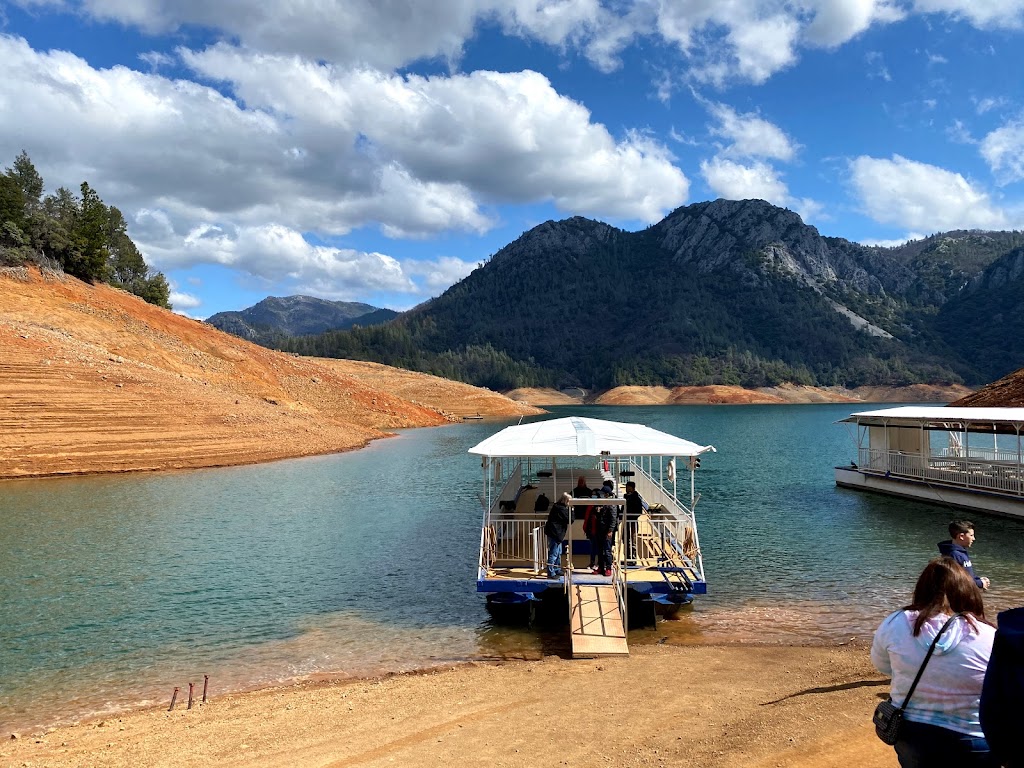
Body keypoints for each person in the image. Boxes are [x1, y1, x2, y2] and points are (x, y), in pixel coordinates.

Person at [871, 556, 997, 767]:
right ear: (969, 593)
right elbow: (1000, 687)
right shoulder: (987, 635)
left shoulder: (895, 622)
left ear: (921, 589)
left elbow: (882, 666)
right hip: (972, 739)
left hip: (911, 734)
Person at [939, 520, 990, 590]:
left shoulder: (961, 553)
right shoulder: (954, 555)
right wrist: (980, 583)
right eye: (971, 535)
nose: (974, 539)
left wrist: (978, 579)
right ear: (961, 536)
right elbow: (958, 581)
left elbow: (967, 574)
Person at [543, 492, 571, 578]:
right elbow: (570, 519)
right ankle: (551, 572)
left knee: (558, 553)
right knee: (554, 553)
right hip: (556, 533)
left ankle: (556, 569)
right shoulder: (561, 509)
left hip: (556, 533)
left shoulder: (557, 507)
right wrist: (572, 510)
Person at [594, 486, 619, 576]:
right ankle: (601, 567)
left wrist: (610, 530)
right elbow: (597, 514)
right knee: (600, 549)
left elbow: (613, 519)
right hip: (599, 529)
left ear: (607, 494)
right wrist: (597, 511)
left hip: (607, 530)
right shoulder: (601, 503)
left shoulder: (612, 504)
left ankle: (608, 568)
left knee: (607, 550)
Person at [622, 481, 647, 563]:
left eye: (628, 487)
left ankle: (633, 559)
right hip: (626, 521)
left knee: (633, 540)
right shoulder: (625, 498)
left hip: (633, 522)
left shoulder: (636, 499)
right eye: (626, 487)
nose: (626, 489)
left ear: (632, 488)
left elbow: (639, 511)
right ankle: (627, 558)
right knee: (625, 539)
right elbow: (623, 509)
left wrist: (631, 516)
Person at [583, 489, 601, 570]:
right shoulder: (589, 506)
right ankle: (592, 563)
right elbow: (587, 518)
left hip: (599, 531)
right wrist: (585, 528)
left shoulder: (600, 506)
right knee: (592, 548)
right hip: (591, 531)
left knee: (600, 548)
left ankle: (600, 564)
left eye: (594, 495)